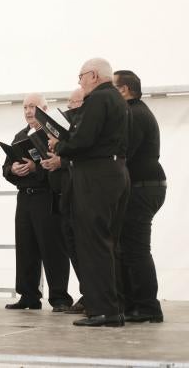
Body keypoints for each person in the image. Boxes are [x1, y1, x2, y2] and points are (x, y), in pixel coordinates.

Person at [52, 58, 129, 327]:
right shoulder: (119, 100)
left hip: (96, 176)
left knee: (92, 244)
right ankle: (113, 307)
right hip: (117, 172)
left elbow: (83, 139)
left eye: (81, 76)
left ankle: (102, 310)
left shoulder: (97, 100)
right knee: (107, 243)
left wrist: (59, 144)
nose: (80, 82)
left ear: (94, 75)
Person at [2, 94, 72, 312]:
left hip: (47, 197)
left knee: (53, 248)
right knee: (25, 247)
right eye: (25, 107)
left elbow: (60, 165)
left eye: (32, 107)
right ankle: (28, 295)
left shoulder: (54, 134)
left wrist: (35, 168)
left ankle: (59, 297)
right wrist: (13, 169)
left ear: (44, 109)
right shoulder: (20, 135)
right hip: (25, 198)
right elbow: (5, 168)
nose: (28, 111)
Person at [114, 69, 166, 323]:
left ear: (124, 90)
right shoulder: (136, 111)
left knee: (135, 249)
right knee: (129, 247)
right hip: (145, 185)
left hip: (143, 186)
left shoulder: (133, 114)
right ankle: (135, 303)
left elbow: (124, 152)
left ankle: (148, 307)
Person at [41, 88, 85, 314]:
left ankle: (91, 295)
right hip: (61, 196)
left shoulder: (83, 127)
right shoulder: (70, 126)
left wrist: (62, 160)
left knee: (82, 248)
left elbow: (84, 157)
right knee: (71, 247)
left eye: (72, 102)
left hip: (79, 195)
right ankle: (87, 294)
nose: (69, 107)